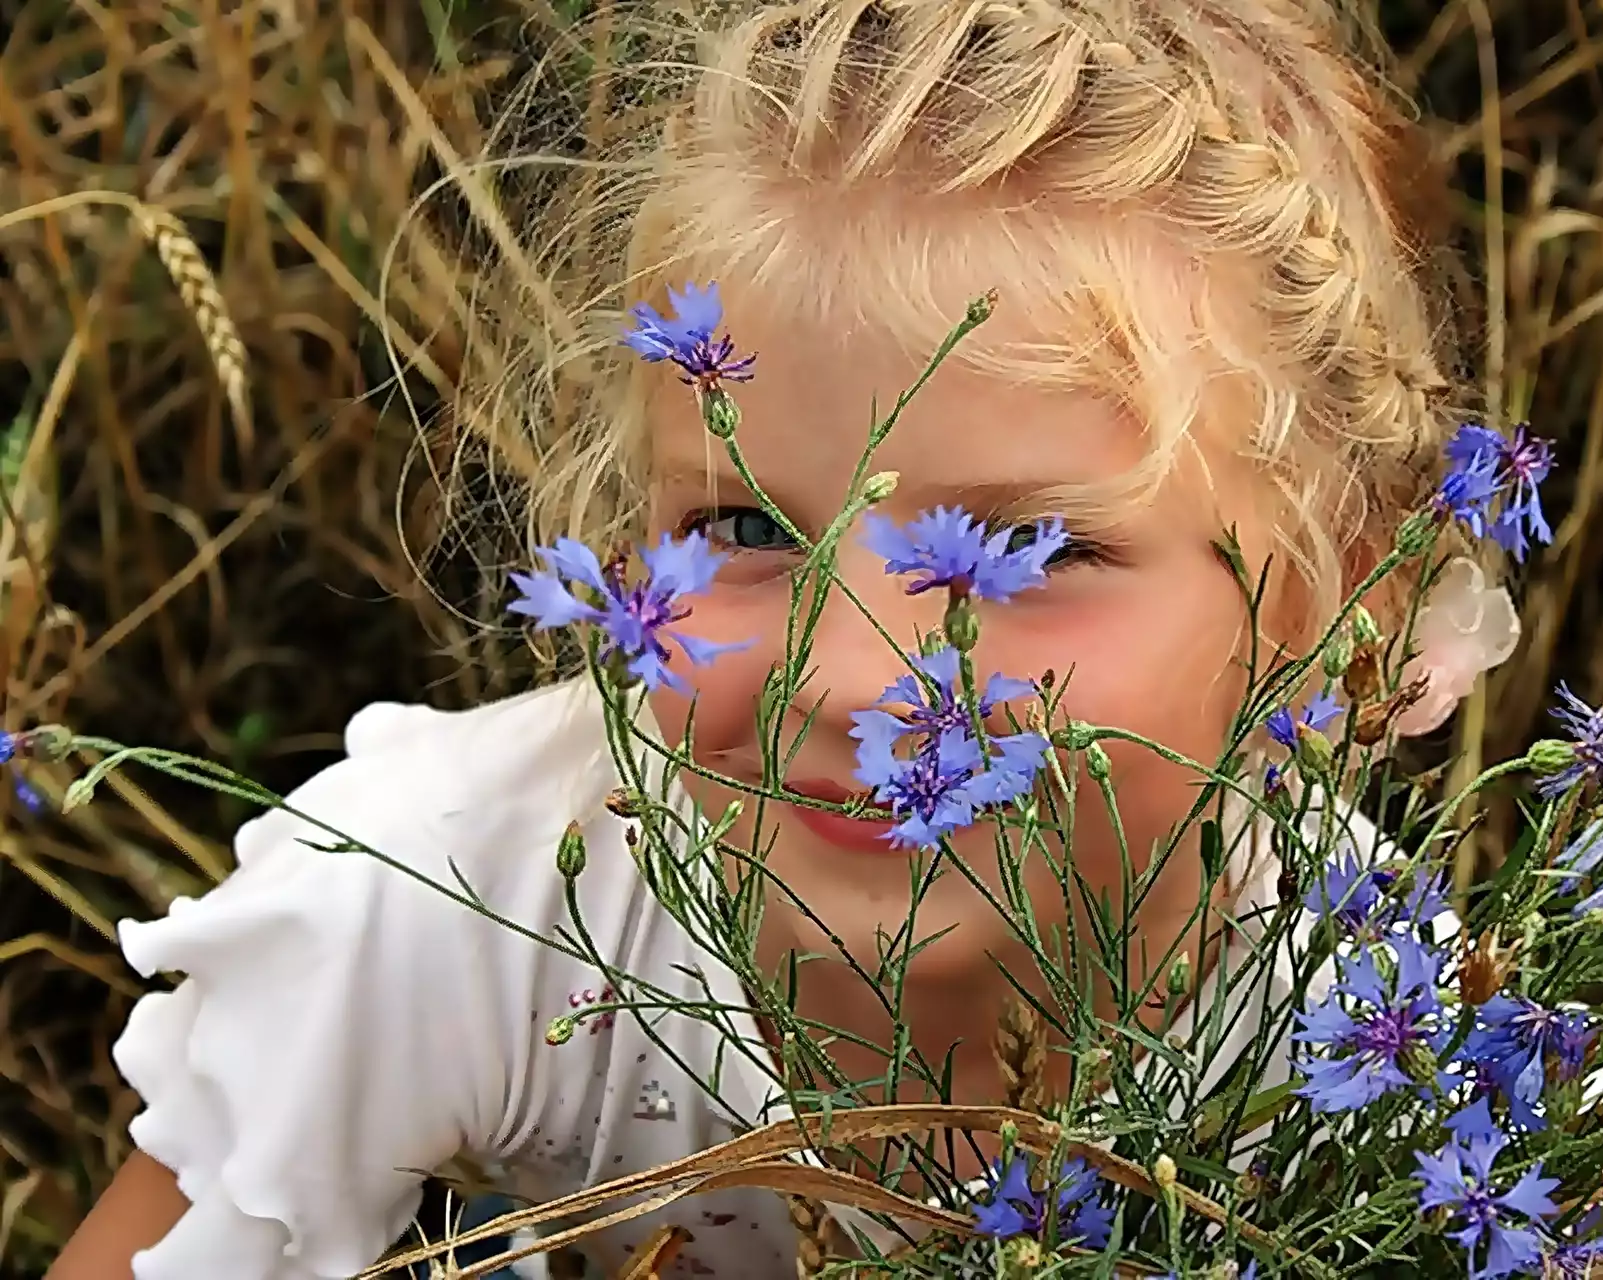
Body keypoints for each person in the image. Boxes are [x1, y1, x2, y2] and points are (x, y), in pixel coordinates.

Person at [51, 1, 1504, 1275]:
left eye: (1035, 553)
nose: (855, 679)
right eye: (747, 531)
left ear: (1337, 604)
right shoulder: (446, 887)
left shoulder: (1373, 1027)